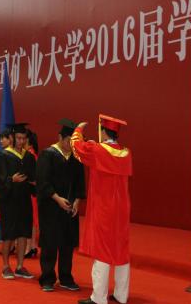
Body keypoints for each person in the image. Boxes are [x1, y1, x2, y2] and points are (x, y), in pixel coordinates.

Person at [72, 116, 133, 304]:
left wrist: (78, 130)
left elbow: (77, 147)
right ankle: (121, 295)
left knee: (102, 250)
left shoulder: (97, 150)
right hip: (121, 208)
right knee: (121, 249)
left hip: (104, 207)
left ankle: (98, 298)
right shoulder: (126, 153)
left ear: (104, 132)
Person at [36, 119, 85, 292]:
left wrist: (77, 201)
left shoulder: (76, 158)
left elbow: (80, 182)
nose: (71, 146)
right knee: (50, 244)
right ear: (59, 138)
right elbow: (42, 181)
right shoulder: (47, 154)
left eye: (73, 143)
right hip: (51, 206)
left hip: (69, 208)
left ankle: (66, 277)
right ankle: (47, 278)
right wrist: (57, 199)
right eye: (68, 141)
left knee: (67, 244)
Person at [0, 122, 36, 280]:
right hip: (9, 201)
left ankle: (20, 266)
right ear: (12, 138)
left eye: (24, 138)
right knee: (9, 234)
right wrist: (12, 179)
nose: (21, 141)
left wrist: (34, 183)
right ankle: (5, 266)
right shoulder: (3, 156)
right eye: (18, 138)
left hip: (24, 200)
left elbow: (33, 177)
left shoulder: (29, 157)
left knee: (23, 233)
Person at [0, 129, 13, 244]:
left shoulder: (4, 155)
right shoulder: (4, 154)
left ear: (10, 139)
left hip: (9, 193)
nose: (1, 141)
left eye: (3, 138)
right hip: (7, 190)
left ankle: (8, 244)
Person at [25, 128, 39, 259]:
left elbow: (32, 178)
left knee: (29, 220)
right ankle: (33, 246)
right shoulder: (35, 155)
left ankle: (29, 247)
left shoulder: (29, 156)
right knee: (32, 220)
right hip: (33, 193)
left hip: (29, 192)